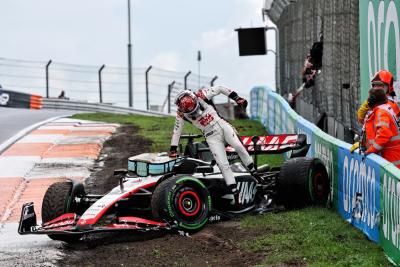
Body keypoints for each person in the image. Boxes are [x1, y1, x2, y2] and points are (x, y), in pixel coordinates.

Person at [169, 86, 263, 206]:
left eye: (195, 107)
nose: (195, 112)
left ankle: (256, 175)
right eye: (190, 111)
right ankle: (236, 194)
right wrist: (173, 149)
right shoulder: (181, 114)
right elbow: (177, 130)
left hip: (222, 125)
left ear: (194, 99)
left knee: (239, 147)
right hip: (210, 136)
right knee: (223, 164)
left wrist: (236, 98)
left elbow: (219, 88)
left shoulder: (201, 95)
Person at [357, 87, 400, 168]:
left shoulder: (381, 112)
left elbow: (384, 135)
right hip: (394, 154)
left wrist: (371, 150)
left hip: (391, 158)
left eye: (369, 98)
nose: (367, 101)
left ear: (373, 100)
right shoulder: (386, 108)